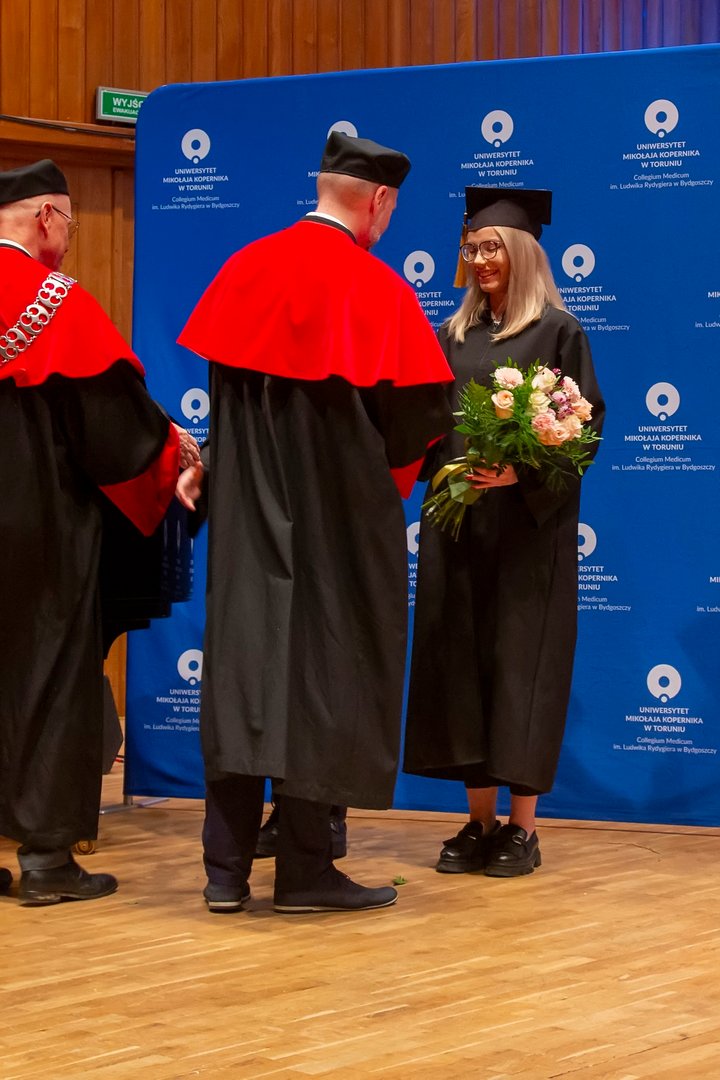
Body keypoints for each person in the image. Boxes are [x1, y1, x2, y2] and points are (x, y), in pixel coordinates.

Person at [176, 131, 453, 915]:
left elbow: (224, 403)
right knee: (326, 675)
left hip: (250, 517)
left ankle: (224, 873)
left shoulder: (244, 269)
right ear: (379, 202)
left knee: (244, 674)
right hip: (338, 525)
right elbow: (415, 426)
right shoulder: (379, 290)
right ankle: (303, 873)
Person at [404, 186, 605, 878]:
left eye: (493, 247)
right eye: (473, 248)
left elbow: (583, 429)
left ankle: (522, 829)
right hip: (459, 526)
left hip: (527, 535)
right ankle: (478, 822)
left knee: (523, 669)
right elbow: (427, 425)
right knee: (461, 668)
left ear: (523, 252)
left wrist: (523, 474)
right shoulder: (452, 336)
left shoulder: (558, 332)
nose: (482, 259)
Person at [0, 159, 181, 905]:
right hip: (38, 528)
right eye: (70, 224)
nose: (70, 240)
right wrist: (174, 453)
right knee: (48, 673)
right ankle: (46, 857)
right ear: (46, 216)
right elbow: (116, 433)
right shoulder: (54, 301)